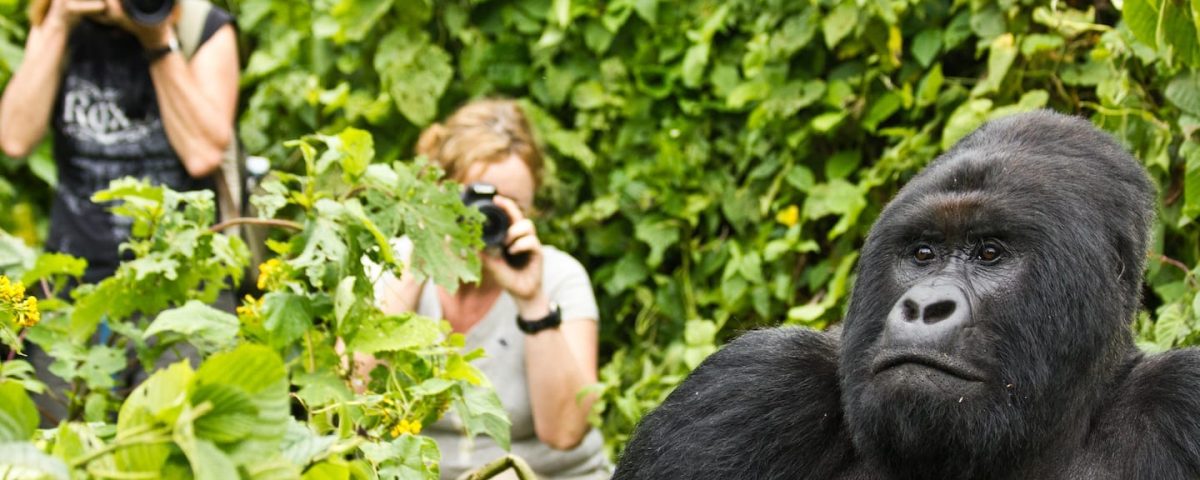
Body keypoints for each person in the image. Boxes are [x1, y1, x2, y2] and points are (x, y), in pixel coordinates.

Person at [374, 99, 610, 480]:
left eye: (509, 205)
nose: (485, 220)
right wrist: (425, 256)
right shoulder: (391, 263)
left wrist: (531, 300)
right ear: (439, 191)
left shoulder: (559, 277)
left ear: (530, 209)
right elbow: (351, 396)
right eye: (475, 201)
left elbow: (565, 433)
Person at [0, 0, 239, 283]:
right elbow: (15, 139)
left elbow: (202, 155)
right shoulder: (63, 23)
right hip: (73, 272)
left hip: (181, 274)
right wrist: (56, 23)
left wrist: (158, 38)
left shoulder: (199, 24)